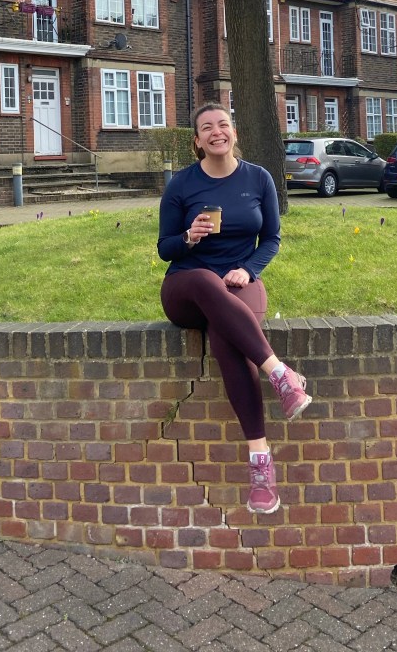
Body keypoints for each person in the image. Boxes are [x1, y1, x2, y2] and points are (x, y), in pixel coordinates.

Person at [157, 102, 312, 514]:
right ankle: (280, 373)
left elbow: (273, 239)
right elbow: (163, 248)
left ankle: (260, 462)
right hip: (187, 286)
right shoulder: (182, 185)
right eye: (206, 127)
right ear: (197, 140)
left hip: (240, 283)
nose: (216, 132)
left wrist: (248, 268)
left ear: (234, 133)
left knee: (229, 341)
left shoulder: (258, 178)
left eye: (223, 124)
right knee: (207, 281)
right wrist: (189, 237)